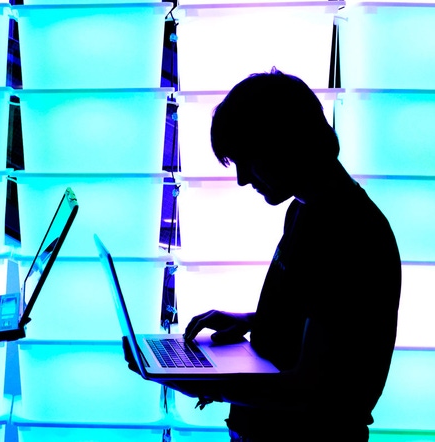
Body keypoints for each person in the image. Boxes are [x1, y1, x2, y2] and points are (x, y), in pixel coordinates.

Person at [124, 69, 401, 441]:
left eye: (246, 161)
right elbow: (329, 316)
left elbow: (309, 390)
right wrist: (257, 319)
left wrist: (202, 384)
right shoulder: (308, 210)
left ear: (284, 146)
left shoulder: (350, 233)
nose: (241, 179)